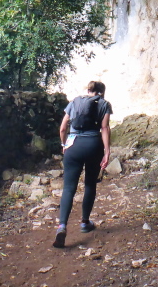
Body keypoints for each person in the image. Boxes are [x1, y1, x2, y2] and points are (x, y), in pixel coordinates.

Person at [53, 81, 111, 248]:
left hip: (73, 146)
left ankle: (62, 226)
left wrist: (64, 145)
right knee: (90, 184)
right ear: (101, 92)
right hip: (93, 145)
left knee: (68, 188)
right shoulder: (104, 104)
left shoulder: (75, 102)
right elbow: (105, 128)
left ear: (88, 90)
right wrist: (107, 151)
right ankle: (85, 223)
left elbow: (63, 128)